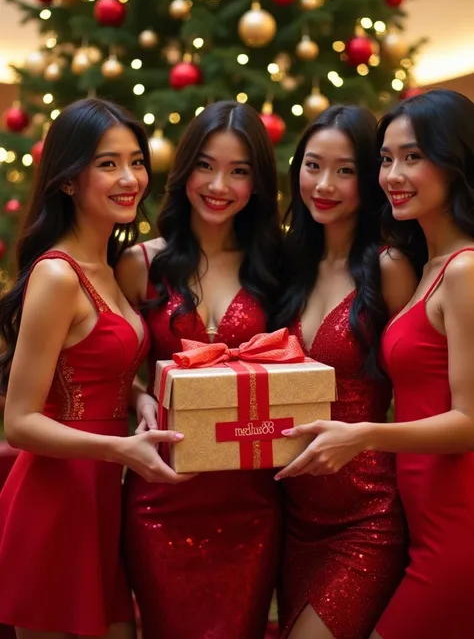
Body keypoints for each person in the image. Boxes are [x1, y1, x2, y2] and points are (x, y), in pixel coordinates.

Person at [278, 89, 474, 639]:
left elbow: (472, 420)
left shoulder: (462, 270)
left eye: (413, 156)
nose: (393, 173)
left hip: (454, 523)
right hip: (417, 516)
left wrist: (362, 435)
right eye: (386, 159)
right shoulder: (431, 263)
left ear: (455, 160)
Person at [0, 98, 184, 639]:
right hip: (57, 500)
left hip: (101, 496)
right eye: (107, 164)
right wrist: (118, 448)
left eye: (136, 161)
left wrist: (138, 398)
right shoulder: (57, 275)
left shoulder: (108, 265)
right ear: (67, 181)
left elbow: (90, 366)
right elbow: (20, 422)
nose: (129, 178)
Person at [116, 100, 283, 639]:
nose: (220, 184)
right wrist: (139, 396)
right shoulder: (141, 263)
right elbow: (117, 366)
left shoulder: (275, 269)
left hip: (253, 500)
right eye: (207, 166)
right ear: (185, 169)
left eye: (239, 171)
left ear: (257, 184)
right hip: (161, 492)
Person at [272, 105, 418, 639]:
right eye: (313, 166)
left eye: (346, 170)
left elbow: (420, 386)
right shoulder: (288, 264)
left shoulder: (390, 267)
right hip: (292, 513)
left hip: (366, 514)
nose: (324, 185)